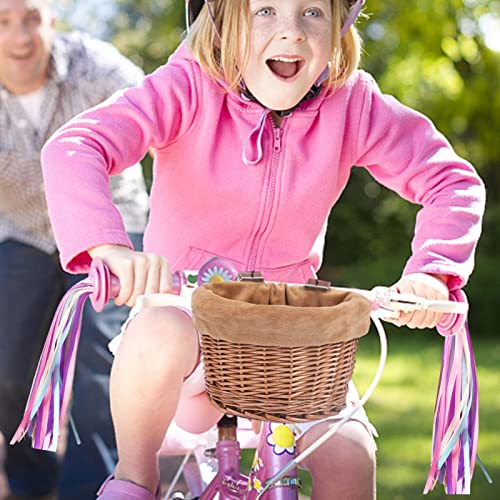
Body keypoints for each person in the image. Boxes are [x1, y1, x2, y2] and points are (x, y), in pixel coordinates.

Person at [40, 0, 486, 498]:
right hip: (189, 329)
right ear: (226, 18)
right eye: (266, 10)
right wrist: (109, 248)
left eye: (312, 12)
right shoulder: (187, 87)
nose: (291, 32)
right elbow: (75, 147)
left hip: (292, 342)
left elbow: (450, 179)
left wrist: (431, 272)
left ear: (339, 26)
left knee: (350, 455)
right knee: (160, 329)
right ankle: (134, 478)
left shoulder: (352, 104)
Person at [0, 0, 149, 498]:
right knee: (8, 369)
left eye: (31, 19)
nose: (21, 38)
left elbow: (164, 111)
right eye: (2, 22)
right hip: (24, 233)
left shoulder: (95, 66)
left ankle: (91, 489)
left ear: (52, 20)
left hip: (109, 232)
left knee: (99, 369)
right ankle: (32, 483)